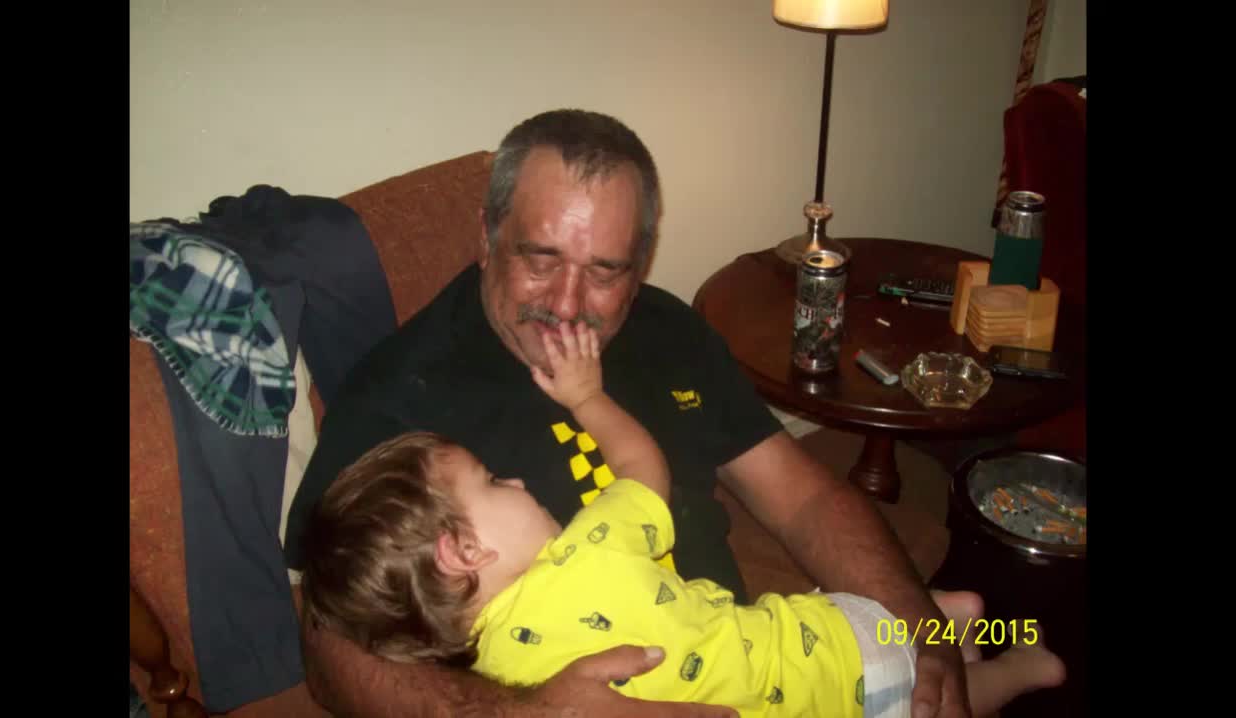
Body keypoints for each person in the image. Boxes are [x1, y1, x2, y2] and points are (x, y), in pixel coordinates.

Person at [283, 108, 977, 718]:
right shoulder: (398, 397)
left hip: (747, 671)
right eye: (540, 258)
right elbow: (326, 643)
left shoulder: (669, 332)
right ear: (487, 238)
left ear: (641, 262)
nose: (566, 304)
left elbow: (802, 499)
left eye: (605, 271)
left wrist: (922, 630)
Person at [298, 321, 1067, 718]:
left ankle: (1018, 668)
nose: (519, 479)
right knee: (911, 661)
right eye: (493, 483)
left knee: (950, 686)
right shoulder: (588, 548)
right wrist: (586, 397)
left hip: (832, 674)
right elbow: (643, 469)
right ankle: (967, 622)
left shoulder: (502, 678)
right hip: (822, 638)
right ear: (461, 550)